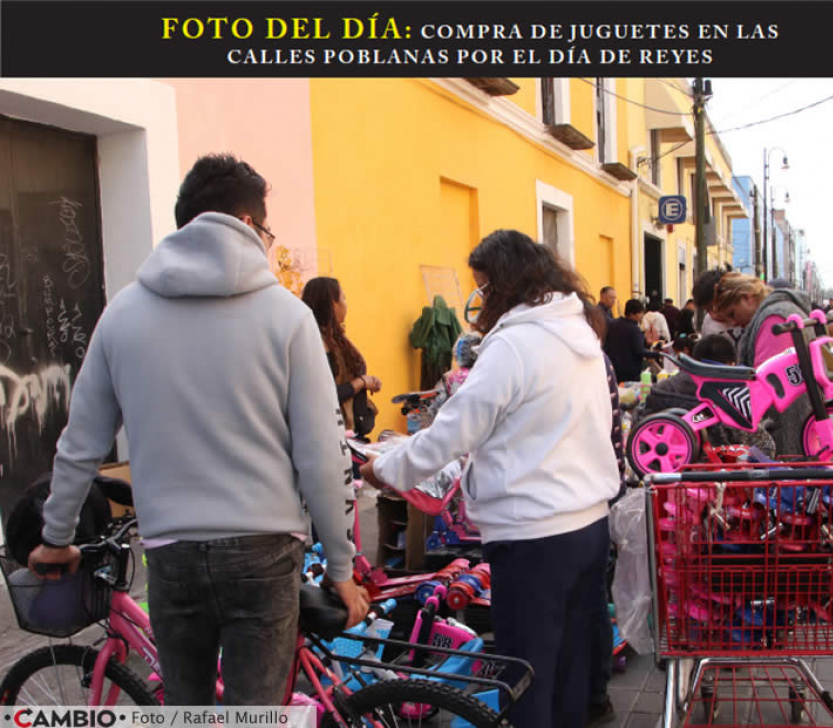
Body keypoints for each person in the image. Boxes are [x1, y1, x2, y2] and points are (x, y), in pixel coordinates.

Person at [28, 154, 370, 706]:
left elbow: (80, 444)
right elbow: (321, 456)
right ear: (249, 223)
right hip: (265, 552)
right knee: (255, 716)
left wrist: (56, 538)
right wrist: (339, 564)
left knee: (185, 710)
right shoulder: (286, 317)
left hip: (172, 552)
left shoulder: (123, 314)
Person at [360, 229, 620, 728]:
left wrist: (386, 469)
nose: (477, 297)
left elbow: (454, 430)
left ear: (504, 284)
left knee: (525, 675)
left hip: (533, 536)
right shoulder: (576, 330)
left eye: (482, 284)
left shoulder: (517, 344)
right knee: (568, 668)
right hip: (587, 525)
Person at [704, 272, 814, 455]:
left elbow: (766, 381)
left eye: (732, 313)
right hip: (800, 419)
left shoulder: (773, 318)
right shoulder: (783, 310)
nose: (734, 322)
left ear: (747, 298)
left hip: (787, 428)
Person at [638, 335, 777, 458]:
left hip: (659, 475)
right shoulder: (729, 398)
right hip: (715, 482)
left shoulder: (659, 390)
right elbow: (765, 447)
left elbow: (639, 431)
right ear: (730, 365)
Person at [302, 277, 382, 439]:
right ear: (333, 304)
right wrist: (361, 382)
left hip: (354, 435)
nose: (346, 304)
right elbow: (324, 394)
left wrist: (367, 381)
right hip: (333, 438)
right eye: (343, 298)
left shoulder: (335, 338)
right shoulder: (315, 343)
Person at [604, 298, 653, 383]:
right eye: (640, 313)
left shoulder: (613, 324)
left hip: (613, 368)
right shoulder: (634, 329)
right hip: (630, 371)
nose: (642, 316)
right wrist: (656, 354)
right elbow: (639, 350)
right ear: (632, 314)